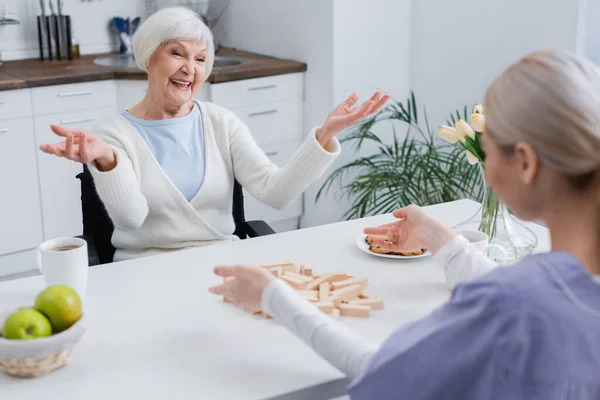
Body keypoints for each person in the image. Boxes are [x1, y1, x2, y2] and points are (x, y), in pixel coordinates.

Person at [209, 49, 600, 399]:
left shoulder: (511, 304)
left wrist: (273, 296)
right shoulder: (558, 287)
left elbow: (383, 370)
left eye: (489, 142)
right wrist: (437, 237)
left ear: (526, 163)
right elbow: (524, 300)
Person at [39, 6, 389, 261]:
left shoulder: (222, 122)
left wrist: (324, 136)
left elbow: (276, 192)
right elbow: (131, 218)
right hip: (144, 271)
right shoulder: (113, 133)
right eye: (176, 53)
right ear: (149, 57)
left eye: (201, 58)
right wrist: (107, 160)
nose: (189, 68)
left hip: (220, 265)